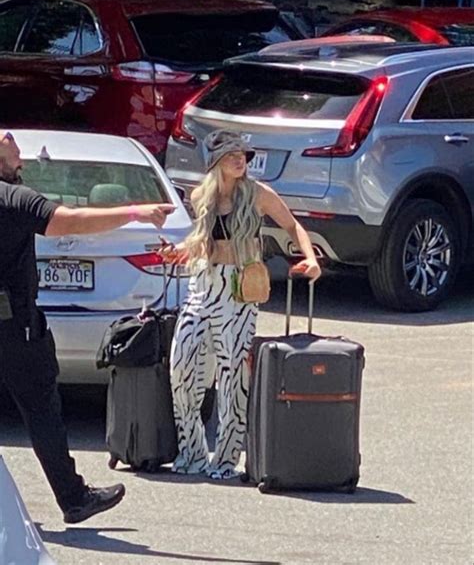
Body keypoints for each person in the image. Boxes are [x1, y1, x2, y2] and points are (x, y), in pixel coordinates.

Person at [0, 130, 175, 523]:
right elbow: (70, 221)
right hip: (14, 329)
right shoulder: (12, 197)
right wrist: (135, 212)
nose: (22, 162)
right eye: (14, 154)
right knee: (42, 411)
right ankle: (74, 498)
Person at [158, 129, 321, 480]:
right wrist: (177, 252)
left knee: (233, 374)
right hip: (203, 284)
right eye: (232, 155)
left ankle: (227, 460)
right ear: (215, 161)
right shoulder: (202, 195)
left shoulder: (258, 194)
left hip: (239, 289)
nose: (240, 160)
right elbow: (204, 242)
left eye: (243, 155)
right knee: (181, 365)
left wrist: (309, 258)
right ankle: (193, 452)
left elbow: (293, 226)